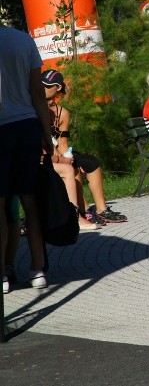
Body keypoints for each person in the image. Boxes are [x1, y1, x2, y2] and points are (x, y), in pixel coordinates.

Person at [1, 23, 53, 291]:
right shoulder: (24, 41)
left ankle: (3, 274)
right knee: (29, 202)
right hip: (27, 125)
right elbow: (37, 93)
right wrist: (47, 133)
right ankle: (37, 269)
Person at [41, 70, 127, 225]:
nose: (42, 88)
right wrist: (65, 160)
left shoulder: (62, 113)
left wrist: (67, 156)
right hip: (46, 153)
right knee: (73, 166)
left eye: (47, 86)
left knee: (92, 162)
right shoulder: (36, 108)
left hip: (58, 150)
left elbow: (62, 142)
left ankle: (102, 209)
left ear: (58, 88)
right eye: (40, 85)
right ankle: (84, 210)